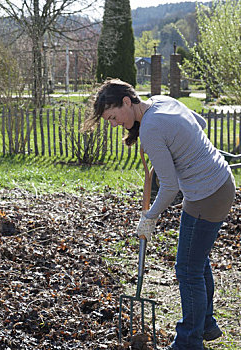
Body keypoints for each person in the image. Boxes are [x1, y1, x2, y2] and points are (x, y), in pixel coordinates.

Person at [84, 79, 235, 350]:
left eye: (113, 116)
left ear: (127, 102)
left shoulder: (150, 130)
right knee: (197, 262)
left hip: (205, 195)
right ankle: (206, 325)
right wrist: (174, 153)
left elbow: (170, 188)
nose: (114, 123)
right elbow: (198, 122)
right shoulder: (161, 101)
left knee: (188, 270)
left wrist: (149, 217)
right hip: (222, 182)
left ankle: (188, 342)